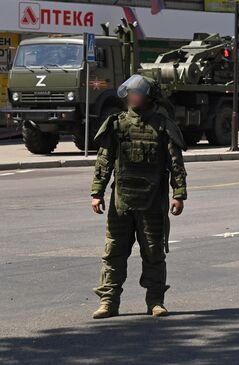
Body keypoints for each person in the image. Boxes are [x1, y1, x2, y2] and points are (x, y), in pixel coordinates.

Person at [90, 75, 188, 319]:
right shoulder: (117, 124)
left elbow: (175, 163)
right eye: (130, 93)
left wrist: (179, 194)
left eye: (138, 93)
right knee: (113, 253)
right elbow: (104, 160)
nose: (132, 97)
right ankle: (108, 302)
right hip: (121, 202)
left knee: (154, 253)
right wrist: (97, 192)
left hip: (152, 202)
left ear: (149, 97)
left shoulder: (163, 126)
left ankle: (155, 301)